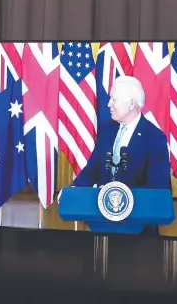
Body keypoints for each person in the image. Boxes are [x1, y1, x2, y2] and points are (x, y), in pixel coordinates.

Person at [70, 76, 171, 235]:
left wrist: (118, 194)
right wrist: (73, 190)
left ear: (131, 104)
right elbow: (93, 169)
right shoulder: (107, 130)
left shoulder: (154, 137)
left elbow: (157, 187)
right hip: (102, 227)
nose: (109, 104)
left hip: (140, 234)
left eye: (114, 99)